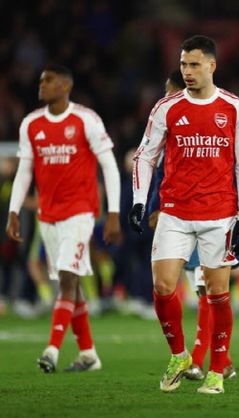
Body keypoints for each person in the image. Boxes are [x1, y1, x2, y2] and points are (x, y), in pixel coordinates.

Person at [146, 69, 239, 381]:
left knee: (207, 289)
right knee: (201, 289)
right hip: (181, 215)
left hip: (220, 216)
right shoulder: (172, 128)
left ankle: (199, 361)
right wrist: (154, 208)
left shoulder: (225, 118)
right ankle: (220, 360)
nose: (166, 99)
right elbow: (161, 172)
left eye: (169, 92)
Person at [129, 35, 239, 395]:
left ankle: (216, 371)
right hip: (175, 212)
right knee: (163, 286)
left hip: (220, 214)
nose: (187, 71)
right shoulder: (166, 108)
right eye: (184, 64)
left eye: (195, 64)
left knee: (217, 292)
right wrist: (139, 201)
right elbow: (145, 156)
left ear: (212, 66)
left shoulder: (235, 108)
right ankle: (179, 355)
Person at [5, 64, 121, 372]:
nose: (41, 84)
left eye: (49, 80)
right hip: (48, 216)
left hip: (80, 213)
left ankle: (52, 350)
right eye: (41, 80)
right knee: (72, 283)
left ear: (66, 86)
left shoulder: (86, 119)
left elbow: (109, 165)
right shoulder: (31, 124)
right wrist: (13, 211)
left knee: (68, 278)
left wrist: (113, 213)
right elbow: (25, 171)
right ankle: (88, 355)